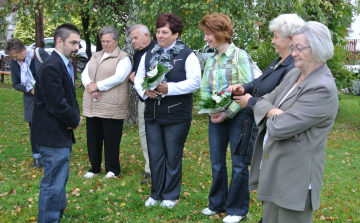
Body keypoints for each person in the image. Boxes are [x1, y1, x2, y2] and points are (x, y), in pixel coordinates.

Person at [249, 21, 338, 223]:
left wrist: (271, 115)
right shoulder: (294, 74)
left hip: (294, 180)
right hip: (273, 170)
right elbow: (262, 101)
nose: (293, 53)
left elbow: (279, 128)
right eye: (292, 47)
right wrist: (275, 112)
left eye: (299, 48)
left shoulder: (322, 88)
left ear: (317, 48)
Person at [134, 13, 201, 208]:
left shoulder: (187, 54)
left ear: (176, 34)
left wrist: (169, 88)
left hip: (177, 115)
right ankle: (156, 194)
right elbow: (138, 79)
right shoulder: (148, 54)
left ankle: (170, 196)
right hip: (153, 114)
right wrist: (145, 91)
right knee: (155, 155)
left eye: (165, 32)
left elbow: (195, 82)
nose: (160, 35)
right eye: (158, 31)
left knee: (172, 156)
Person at [227, 14, 305, 165]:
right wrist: (242, 88)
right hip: (258, 127)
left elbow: (279, 102)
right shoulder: (278, 61)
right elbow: (260, 82)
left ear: (290, 39)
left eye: (276, 37)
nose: (272, 41)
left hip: (272, 133)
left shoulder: (292, 68)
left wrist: (249, 102)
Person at [198, 13, 253, 223]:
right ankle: (217, 204)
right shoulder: (211, 59)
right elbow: (205, 88)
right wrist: (210, 109)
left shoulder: (240, 56)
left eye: (208, 34)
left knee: (238, 164)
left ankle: (237, 210)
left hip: (238, 116)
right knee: (217, 163)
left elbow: (248, 90)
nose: (205, 39)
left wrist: (226, 112)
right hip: (215, 117)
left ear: (220, 33)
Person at [31, 23, 83, 223]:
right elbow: (56, 104)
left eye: (78, 43)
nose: (77, 47)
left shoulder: (63, 63)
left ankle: (57, 214)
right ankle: (49, 219)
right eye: (73, 42)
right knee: (53, 182)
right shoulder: (51, 66)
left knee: (59, 178)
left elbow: (68, 97)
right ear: (59, 41)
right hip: (51, 134)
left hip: (59, 132)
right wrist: (75, 119)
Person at [81, 26, 133, 179]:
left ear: (116, 41)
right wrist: (90, 86)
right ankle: (94, 168)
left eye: (108, 41)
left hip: (112, 105)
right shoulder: (96, 55)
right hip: (93, 103)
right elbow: (85, 73)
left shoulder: (123, 58)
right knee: (93, 138)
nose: (105, 44)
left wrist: (98, 86)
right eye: (103, 41)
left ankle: (112, 169)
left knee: (111, 139)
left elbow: (119, 77)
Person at [4, 38, 49, 168]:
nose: (15, 59)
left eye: (16, 56)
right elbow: (16, 83)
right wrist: (30, 89)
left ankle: (49, 155)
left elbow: (52, 73)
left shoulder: (40, 54)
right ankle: (37, 157)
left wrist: (43, 89)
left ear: (23, 50)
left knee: (47, 125)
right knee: (34, 127)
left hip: (46, 97)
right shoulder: (15, 62)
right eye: (12, 57)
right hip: (31, 99)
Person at [129, 24, 157, 184]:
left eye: (135, 37)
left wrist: (135, 80)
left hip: (155, 100)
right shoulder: (138, 53)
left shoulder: (157, 50)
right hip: (142, 100)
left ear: (147, 35)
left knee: (154, 136)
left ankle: (156, 169)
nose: (133, 41)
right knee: (143, 133)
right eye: (132, 38)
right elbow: (134, 76)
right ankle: (149, 167)